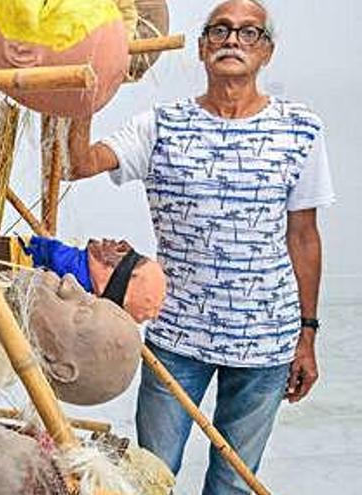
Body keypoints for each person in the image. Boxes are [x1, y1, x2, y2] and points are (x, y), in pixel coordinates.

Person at [65, 1, 335, 493]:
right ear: (202, 47)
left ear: (267, 52)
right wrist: (84, 91)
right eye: (221, 30)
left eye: (249, 33)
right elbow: (79, 163)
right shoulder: (159, 125)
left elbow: (303, 236)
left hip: (266, 342)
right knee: (151, 476)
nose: (233, 40)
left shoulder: (301, 129)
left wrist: (308, 334)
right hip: (177, 336)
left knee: (233, 482)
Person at [21, 236, 167, 323]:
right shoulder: (81, 267)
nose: (114, 241)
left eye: (122, 251)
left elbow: (53, 255)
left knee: (54, 255)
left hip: (94, 273)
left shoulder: (77, 270)